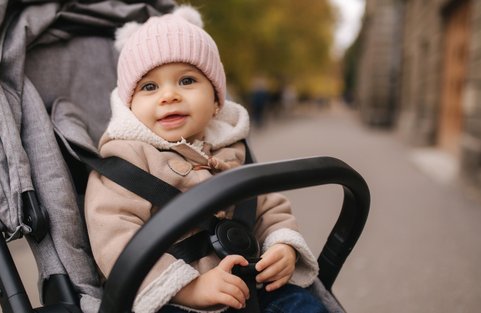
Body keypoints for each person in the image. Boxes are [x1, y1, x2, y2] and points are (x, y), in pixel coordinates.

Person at [85, 6, 327, 313]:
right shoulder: (125, 162)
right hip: (171, 296)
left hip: (250, 284)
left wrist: (282, 246)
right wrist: (188, 288)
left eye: (187, 81)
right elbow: (115, 237)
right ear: (129, 105)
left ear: (216, 101)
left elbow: (268, 206)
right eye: (149, 87)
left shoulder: (231, 150)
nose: (169, 95)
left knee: (303, 305)